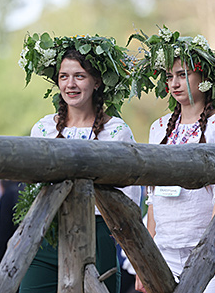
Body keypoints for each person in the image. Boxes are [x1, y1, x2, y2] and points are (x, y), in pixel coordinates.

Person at [17, 32, 141, 293]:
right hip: (48, 231)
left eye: (79, 76)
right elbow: (33, 186)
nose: (70, 84)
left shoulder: (116, 131)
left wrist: (115, 234)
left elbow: (130, 193)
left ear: (96, 82)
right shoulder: (43, 128)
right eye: (64, 77)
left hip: (96, 233)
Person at [130, 26, 215, 293]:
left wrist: (211, 247)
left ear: (203, 76)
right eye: (170, 76)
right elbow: (152, 197)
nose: (174, 84)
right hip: (165, 251)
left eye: (183, 75)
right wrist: (145, 257)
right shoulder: (158, 128)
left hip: (213, 251)